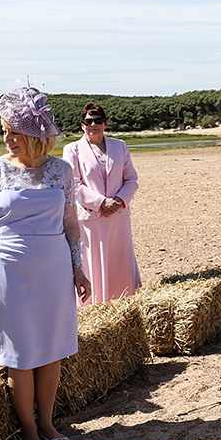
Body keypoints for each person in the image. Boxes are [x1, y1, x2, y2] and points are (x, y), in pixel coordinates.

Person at [0, 87, 92, 440]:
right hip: (9, 270)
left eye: (14, 132)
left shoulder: (62, 170)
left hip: (54, 268)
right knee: (19, 355)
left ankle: (49, 422)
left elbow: (72, 224)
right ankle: (27, 430)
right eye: (5, 131)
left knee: (51, 350)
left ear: (36, 136)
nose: (7, 139)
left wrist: (78, 270)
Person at [63, 102, 141, 304]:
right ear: (82, 125)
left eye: (98, 120)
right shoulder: (72, 150)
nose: (93, 124)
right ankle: (94, 305)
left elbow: (131, 179)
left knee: (120, 263)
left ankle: (126, 304)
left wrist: (118, 201)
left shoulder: (120, 146)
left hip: (118, 217)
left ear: (105, 123)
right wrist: (100, 203)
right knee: (93, 264)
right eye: (89, 121)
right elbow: (73, 184)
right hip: (91, 220)